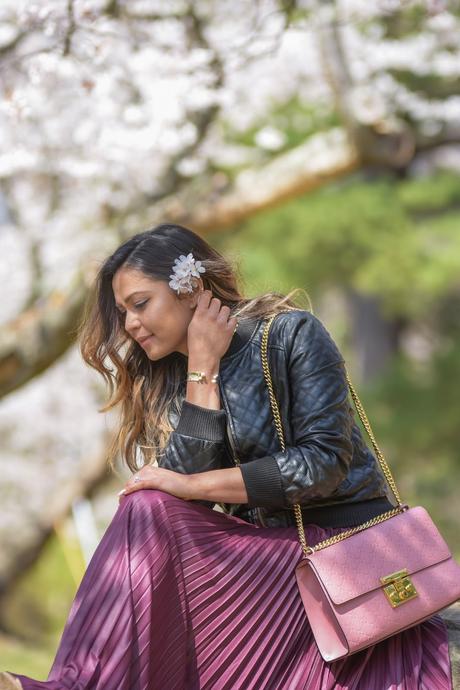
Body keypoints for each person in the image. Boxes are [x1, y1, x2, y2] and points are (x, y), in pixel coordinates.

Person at [1, 223, 453, 690]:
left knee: (147, 506)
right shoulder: (175, 377)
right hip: (265, 561)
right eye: (123, 313)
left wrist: (194, 485)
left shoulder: (289, 334)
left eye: (140, 304)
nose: (130, 324)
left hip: (340, 547)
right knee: (146, 507)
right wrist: (202, 371)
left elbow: (320, 464)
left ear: (190, 287)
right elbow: (174, 498)